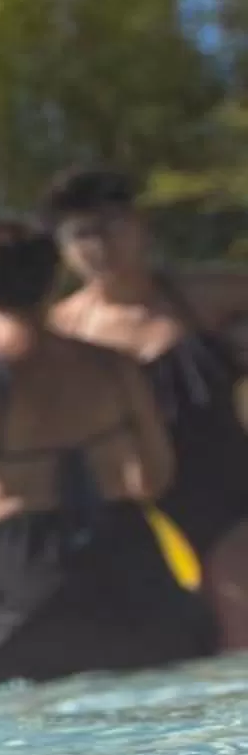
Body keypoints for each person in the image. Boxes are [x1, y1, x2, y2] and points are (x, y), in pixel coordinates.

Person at [0, 221, 213, 687]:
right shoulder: (117, 368)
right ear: (53, 283)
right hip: (126, 559)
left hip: (26, 576)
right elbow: (154, 476)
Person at [43, 165, 248, 650]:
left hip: (229, 497)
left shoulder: (203, 298)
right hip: (129, 517)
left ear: (140, 226)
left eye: (111, 225)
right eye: (82, 234)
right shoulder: (61, 332)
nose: (100, 244)